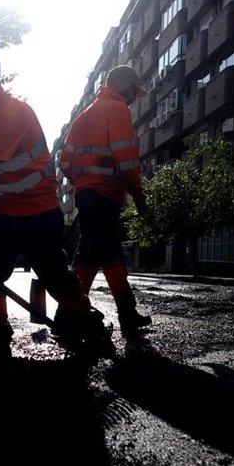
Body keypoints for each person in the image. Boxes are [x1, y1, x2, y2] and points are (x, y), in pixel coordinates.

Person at [0, 42, 107, 359]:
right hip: (1, 209)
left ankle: (86, 320)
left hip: (38, 210)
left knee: (54, 276)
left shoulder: (13, 114)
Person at [59, 64, 152, 335]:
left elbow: (65, 162)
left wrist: (85, 182)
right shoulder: (118, 109)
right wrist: (139, 197)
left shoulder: (84, 115)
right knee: (109, 252)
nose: (134, 99)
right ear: (125, 88)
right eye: (134, 92)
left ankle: (69, 313)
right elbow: (126, 161)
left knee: (90, 253)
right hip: (105, 195)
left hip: (87, 195)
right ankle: (122, 315)